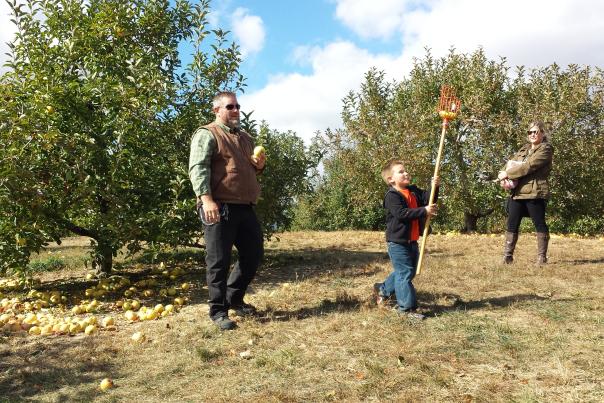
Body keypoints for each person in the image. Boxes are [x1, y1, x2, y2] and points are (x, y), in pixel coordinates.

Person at [189, 91, 266, 330]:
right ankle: (218, 311)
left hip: (244, 206)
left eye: (237, 106)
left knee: (253, 254)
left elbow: (245, 170)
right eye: (230, 106)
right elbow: (197, 168)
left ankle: (234, 297)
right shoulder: (207, 133)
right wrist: (206, 199)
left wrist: (259, 167)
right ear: (217, 110)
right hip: (218, 207)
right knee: (218, 261)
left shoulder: (245, 138)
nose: (235, 110)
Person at [373, 159, 439, 320]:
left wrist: (434, 186)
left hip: (412, 240)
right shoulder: (392, 196)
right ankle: (406, 310)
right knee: (405, 272)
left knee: (407, 271)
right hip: (397, 242)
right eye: (401, 172)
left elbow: (429, 199)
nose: (406, 173)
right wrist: (424, 211)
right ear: (391, 179)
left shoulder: (413, 190)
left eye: (406, 170)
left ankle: (383, 289)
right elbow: (402, 213)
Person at [498, 121, 553, 265]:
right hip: (517, 193)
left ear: (542, 133)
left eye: (536, 131)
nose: (533, 134)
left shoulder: (546, 149)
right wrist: (502, 172)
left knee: (539, 224)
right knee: (512, 223)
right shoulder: (524, 149)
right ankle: (507, 257)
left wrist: (507, 174)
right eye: (530, 132)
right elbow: (511, 163)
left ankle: (541, 258)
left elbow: (529, 166)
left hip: (535, 191)